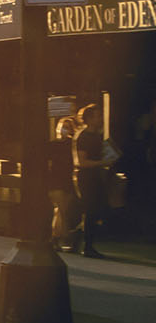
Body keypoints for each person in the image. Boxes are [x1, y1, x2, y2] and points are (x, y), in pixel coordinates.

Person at [71, 103, 113, 258]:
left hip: (96, 175)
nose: (101, 118)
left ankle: (75, 236)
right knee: (90, 210)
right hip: (86, 177)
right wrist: (103, 163)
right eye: (98, 115)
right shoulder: (83, 136)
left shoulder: (97, 135)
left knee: (96, 209)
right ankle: (87, 245)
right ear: (89, 118)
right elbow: (81, 162)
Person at [50, 116, 80, 250]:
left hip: (68, 179)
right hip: (56, 179)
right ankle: (67, 237)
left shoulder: (72, 144)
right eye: (63, 126)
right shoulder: (53, 144)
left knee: (61, 211)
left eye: (68, 127)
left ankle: (55, 238)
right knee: (62, 210)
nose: (64, 129)